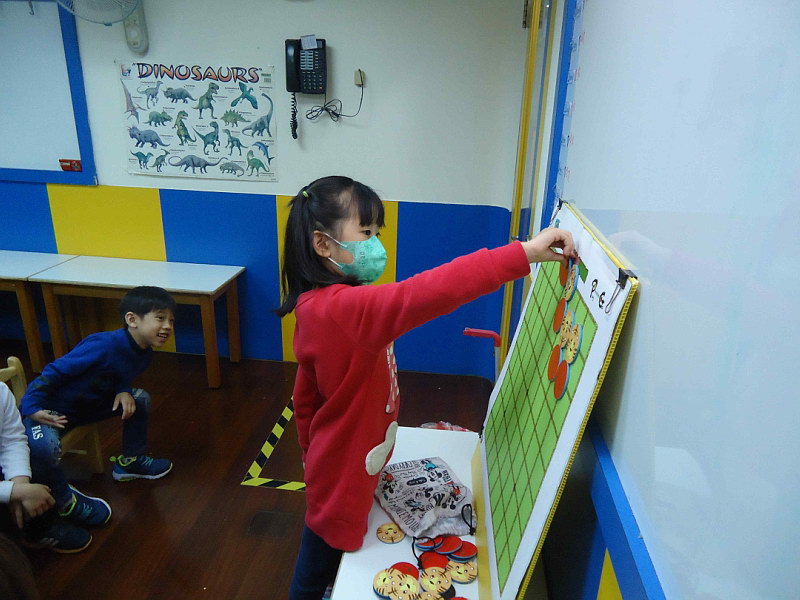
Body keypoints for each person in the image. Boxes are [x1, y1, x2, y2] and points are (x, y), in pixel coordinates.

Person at [277, 176, 578, 600]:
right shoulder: (343, 310)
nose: (375, 244)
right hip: (341, 478)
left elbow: (305, 396)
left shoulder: (328, 304)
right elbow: (429, 291)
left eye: (376, 232)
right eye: (366, 232)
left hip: (344, 465)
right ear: (323, 244)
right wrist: (523, 253)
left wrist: (311, 454)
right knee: (324, 565)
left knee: (334, 555)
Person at [18, 286, 176, 551]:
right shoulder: (103, 344)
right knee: (43, 449)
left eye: (171, 320)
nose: (167, 326)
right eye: (160, 318)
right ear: (132, 319)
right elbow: (53, 372)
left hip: (87, 407)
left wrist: (123, 389)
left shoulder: (144, 351)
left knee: (139, 399)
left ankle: (130, 462)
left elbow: (120, 373)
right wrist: (31, 406)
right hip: (49, 410)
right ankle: (65, 501)